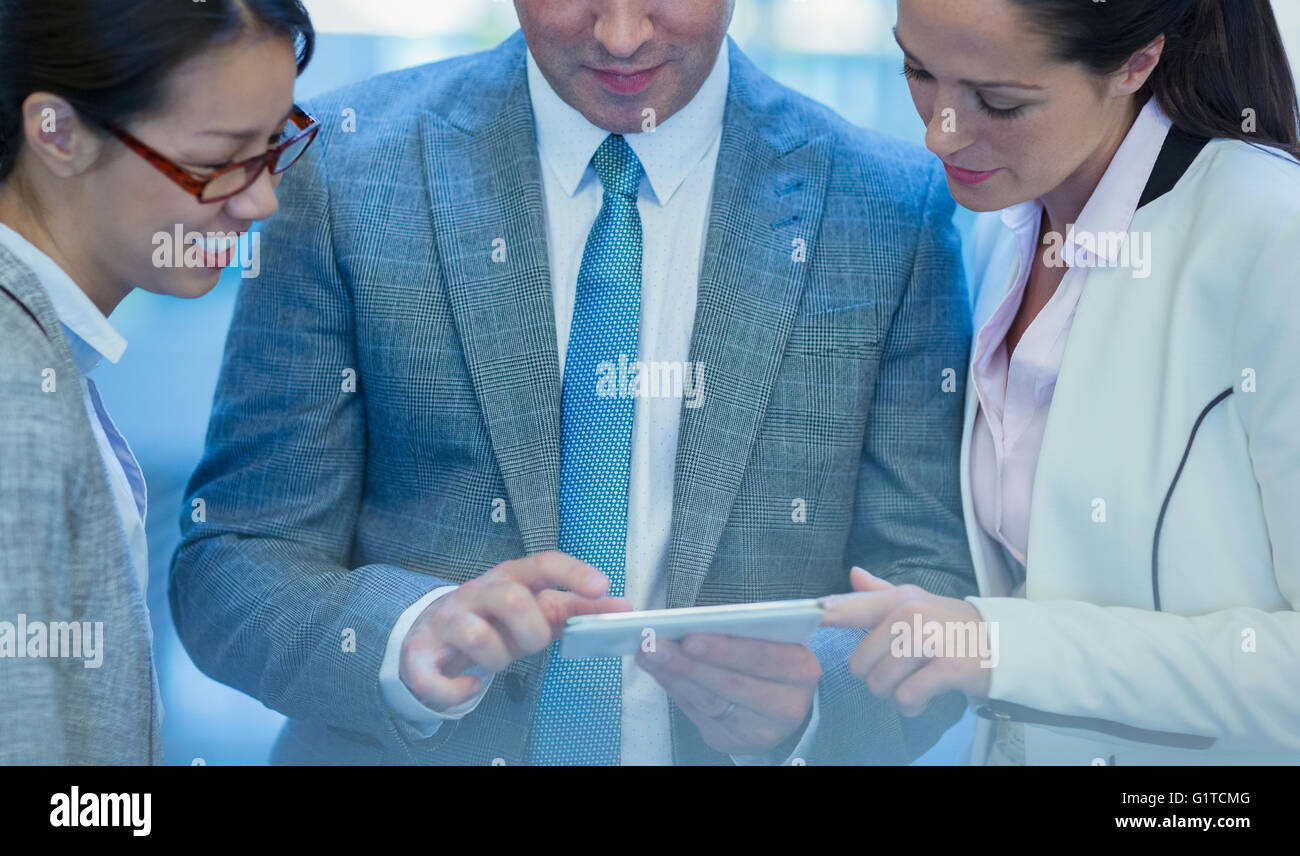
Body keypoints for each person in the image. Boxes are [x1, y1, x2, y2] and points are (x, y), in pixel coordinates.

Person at [170, 0, 976, 765]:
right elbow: (236, 558)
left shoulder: (889, 208)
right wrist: (404, 639)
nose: (621, 36)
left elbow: (932, 586)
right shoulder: (342, 171)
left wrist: (815, 711)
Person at [823, 0, 1300, 764]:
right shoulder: (1004, 229)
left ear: (1136, 64)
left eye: (999, 101)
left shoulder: (1274, 240)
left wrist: (1000, 646)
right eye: (917, 70)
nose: (938, 133)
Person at [0, 0, 317, 764]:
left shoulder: (43, 348)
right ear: (58, 132)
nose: (260, 200)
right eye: (215, 162)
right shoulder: (17, 399)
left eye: (275, 144)